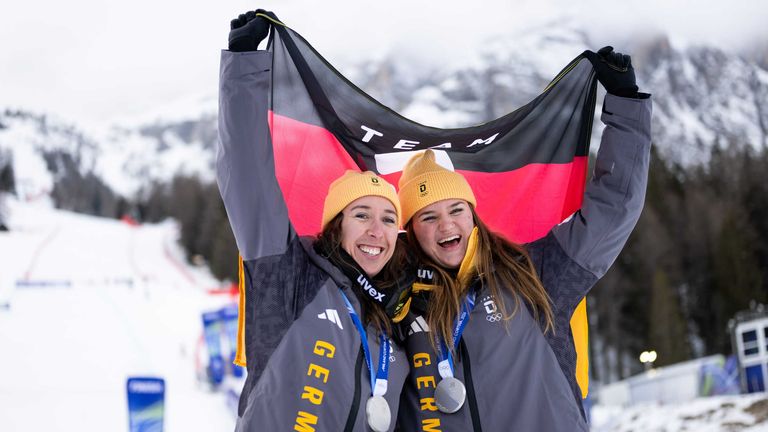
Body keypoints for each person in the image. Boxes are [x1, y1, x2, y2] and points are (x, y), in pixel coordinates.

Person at [395, 47, 652, 431]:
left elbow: (614, 207)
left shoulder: (535, 270)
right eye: (428, 217)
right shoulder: (396, 301)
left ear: (473, 214)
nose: (446, 226)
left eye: (456, 210)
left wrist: (626, 104)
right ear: (411, 231)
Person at [219, 12, 415, 432]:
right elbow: (248, 176)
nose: (375, 231)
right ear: (335, 227)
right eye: (361, 215)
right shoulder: (289, 276)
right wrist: (245, 66)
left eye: (387, 220)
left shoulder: (395, 327)